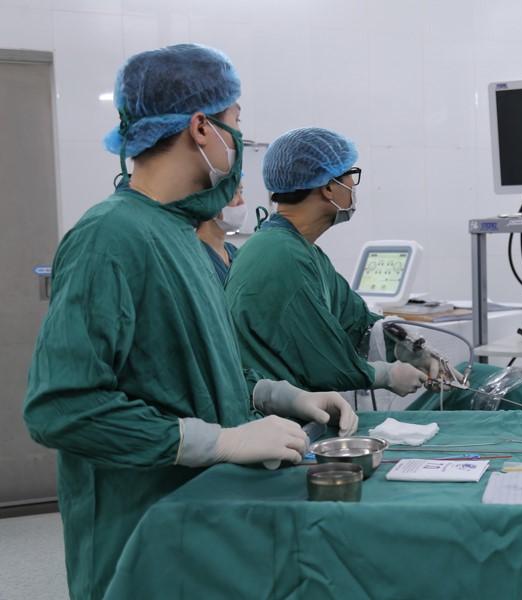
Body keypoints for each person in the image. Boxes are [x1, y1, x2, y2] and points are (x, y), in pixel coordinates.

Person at [22, 45, 358, 600]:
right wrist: (218, 441)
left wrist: (281, 395)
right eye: (236, 124)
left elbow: (192, 367)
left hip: (198, 523)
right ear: (202, 128)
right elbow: (62, 408)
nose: (240, 144)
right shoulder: (110, 236)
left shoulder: (183, 235)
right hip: (140, 535)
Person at [225, 127, 439, 399]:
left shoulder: (302, 250)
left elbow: (355, 321)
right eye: (350, 175)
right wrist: (386, 374)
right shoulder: (285, 256)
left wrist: (408, 346)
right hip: (274, 416)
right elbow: (323, 360)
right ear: (328, 187)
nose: (353, 186)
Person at [196, 181, 247, 283]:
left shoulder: (233, 252)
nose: (242, 202)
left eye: (241, 192)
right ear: (210, 199)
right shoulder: (195, 256)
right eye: (233, 193)